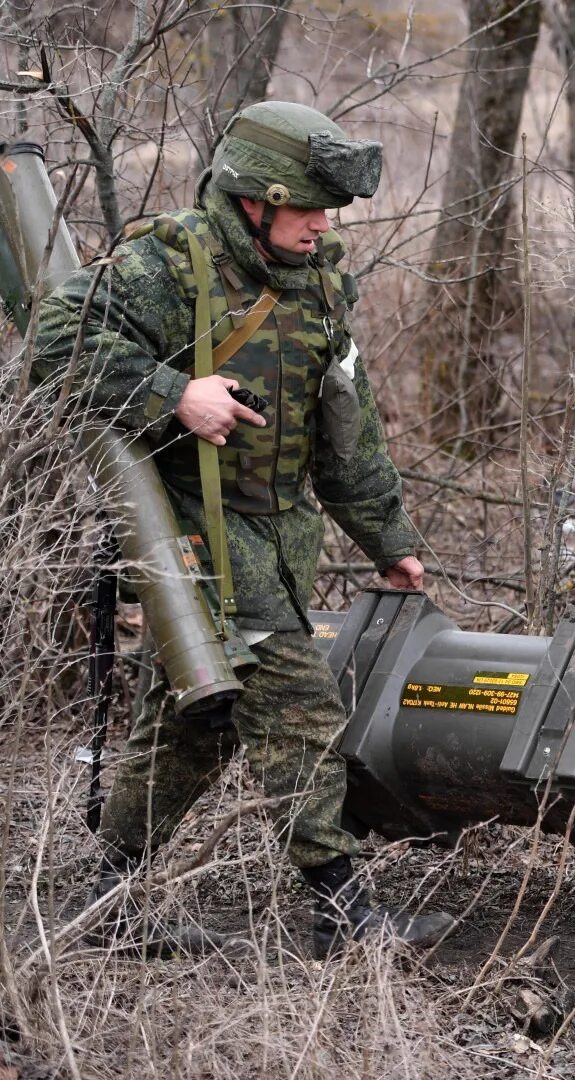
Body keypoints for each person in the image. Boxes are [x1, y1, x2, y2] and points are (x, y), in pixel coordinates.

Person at [32, 101, 453, 957]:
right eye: (305, 207)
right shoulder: (174, 261)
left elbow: (348, 430)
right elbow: (55, 339)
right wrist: (171, 394)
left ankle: (101, 899)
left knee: (194, 724)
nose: (320, 225)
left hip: (278, 539)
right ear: (253, 200)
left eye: (326, 210)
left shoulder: (324, 284)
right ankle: (342, 916)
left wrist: (389, 539)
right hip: (192, 531)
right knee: (298, 707)